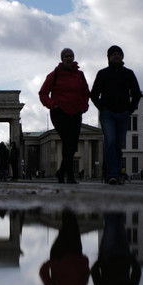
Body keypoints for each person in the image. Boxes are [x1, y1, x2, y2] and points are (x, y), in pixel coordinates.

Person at [90, 45, 141, 185]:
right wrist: (102, 107)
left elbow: (137, 93)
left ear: (122, 56)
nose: (116, 56)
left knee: (118, 145)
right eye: (113, 54)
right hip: (108, 114)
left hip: (123, 114)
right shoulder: (102, 73)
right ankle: (112, 175)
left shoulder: (129, 73)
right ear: (109, 57)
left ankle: (115, 174)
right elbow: (93, 94)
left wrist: (130, 109)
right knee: (110, 142)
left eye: (119, 54)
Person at [39, 48, 90, 184]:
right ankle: (69, 176)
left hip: (76, 112)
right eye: (66, 56)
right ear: (62, 58)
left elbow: (86, 92)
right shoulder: (54, 75)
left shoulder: (80, 75)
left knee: (71, 145)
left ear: (74, 58)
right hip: (59, 113)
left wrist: (84, 106)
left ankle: (61, 172)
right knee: (68, 141)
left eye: (71, 56)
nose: (69, 58)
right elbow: (43, 93)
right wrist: (52, 104)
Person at [39, 209, 89, 285]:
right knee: (72, 226)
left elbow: (43, 272)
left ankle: (67, 206)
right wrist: (84, 260)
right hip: (75, 253)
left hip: (59, 253)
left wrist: (54, 261)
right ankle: (68, 207)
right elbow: (86, 274)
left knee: (67, 228)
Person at [91, 212, 141, 285]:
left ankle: (110, 205)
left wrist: (101, 260)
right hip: (122, 253)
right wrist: (131, 258)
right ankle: (116, 205)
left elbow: (94, 273)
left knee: (111, 227)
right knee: (118, 224)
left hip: (109, 254)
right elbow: (137, 273)